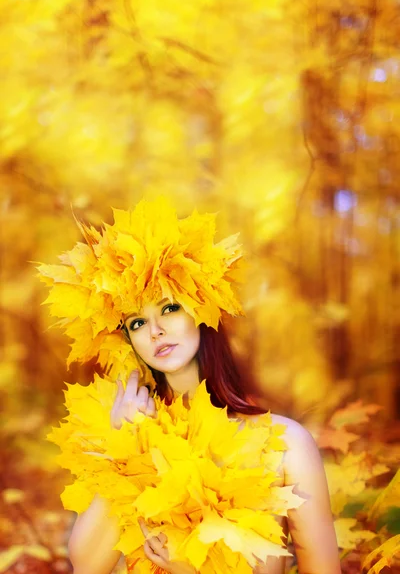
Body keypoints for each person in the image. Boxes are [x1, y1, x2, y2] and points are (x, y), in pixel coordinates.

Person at [38, 197, 341, 574]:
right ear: (128, 341)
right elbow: (87, 566)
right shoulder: (126, 432)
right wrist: (126, 449)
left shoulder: (284, 443)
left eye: (168, 308)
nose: (155, 331)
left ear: (201, 309)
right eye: (136, 322)